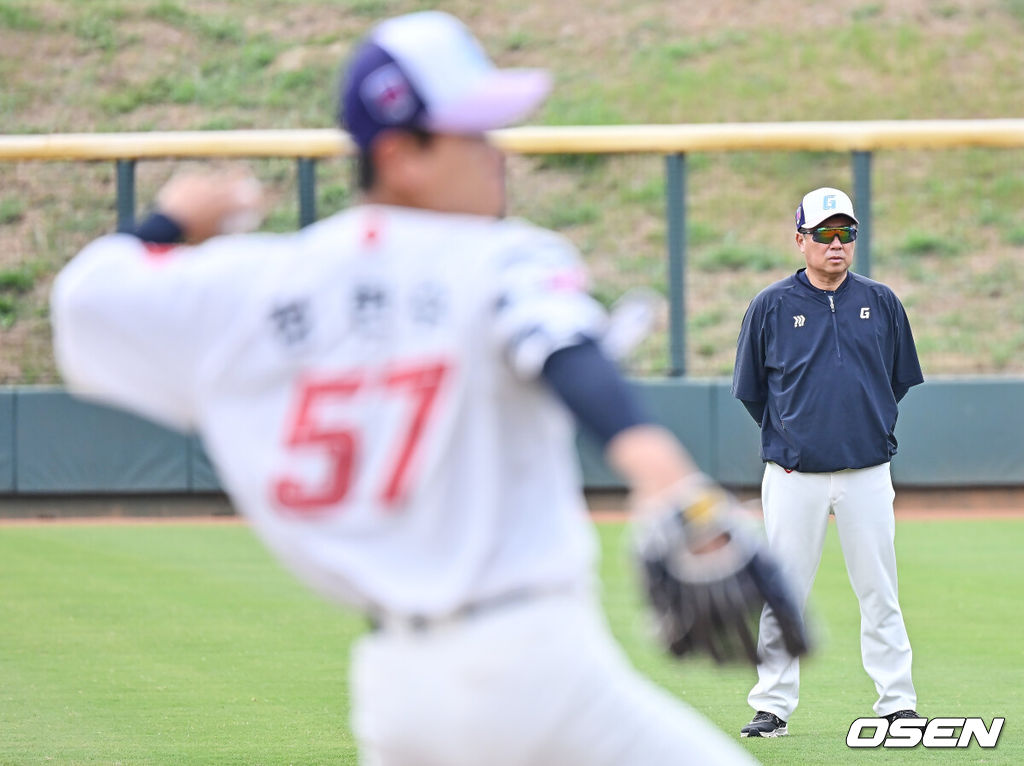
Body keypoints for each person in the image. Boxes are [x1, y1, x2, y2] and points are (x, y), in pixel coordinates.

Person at [50, 11, 789, 766]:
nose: (496, 153)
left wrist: (169, 219)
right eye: (471, 133)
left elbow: (86, 299)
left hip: (399, 697)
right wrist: (679, 490)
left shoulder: (259, 284)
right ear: (401, 154)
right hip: (533, 668)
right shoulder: (498, 257)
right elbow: (566, 350)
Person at [731, 187, 924, 738]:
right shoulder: (770, 305)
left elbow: (896, 380)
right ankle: (772, 705)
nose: (836, 244)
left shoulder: (882, 301)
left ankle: (897, 703)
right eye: (824, 234)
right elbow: (752, 393)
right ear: (800, 239)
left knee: (880, 590)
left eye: (846, 233)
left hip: (866, 471)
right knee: (784, 591)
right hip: (795, 476)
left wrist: (864, 428)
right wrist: (798, 437)